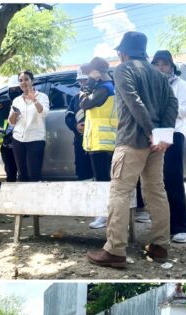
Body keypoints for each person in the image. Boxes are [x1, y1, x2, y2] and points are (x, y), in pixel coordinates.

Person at [86, 32, 177, 269]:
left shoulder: (123, 70)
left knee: (120, 192)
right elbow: (172, 104)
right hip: (156, 144)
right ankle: (160, 246)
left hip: (131, 141)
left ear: (123, 52)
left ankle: (115, 250)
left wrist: (149, 131)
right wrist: (162, 135)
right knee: (156, 191)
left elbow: (133, 101)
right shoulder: (159, 74)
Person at [151, 50, 186, 244]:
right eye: (157, 64)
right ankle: (166, 226)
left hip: (174, 133)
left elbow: (185, 110)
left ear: (171, 66)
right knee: (159, 182)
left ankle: (183, 227)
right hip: (157, 135)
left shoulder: (180, 84)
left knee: (174, 180)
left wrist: (166, 107)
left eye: (164, 64)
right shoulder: (153, 86)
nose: (160, 68)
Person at [79, 57, 118, 230]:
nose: (88, 75)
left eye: (90, 72)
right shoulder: (110, 87)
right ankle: (107, 214)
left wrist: (90, 83)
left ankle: (104, 215)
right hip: (103, 142)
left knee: (103, 182)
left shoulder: (104, 88)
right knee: (105, 180)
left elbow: (84, 103)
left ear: (98, 72)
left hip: (102, 143)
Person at [9, 70, 49, 182]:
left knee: (34, 174)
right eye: (21, 80)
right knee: (22, 175)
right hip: (18, 140)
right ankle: (24, 199)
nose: (23, 82)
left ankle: (35, 199)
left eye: (26, 79)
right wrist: (14, 114)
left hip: (35, 139)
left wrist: (34, 100)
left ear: (32, 81)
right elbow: (11, 122)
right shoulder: (16, 100)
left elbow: (44, 113)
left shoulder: (42, 97)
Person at [66, 66, 94, 181]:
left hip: (97, 141)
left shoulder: (99, 95)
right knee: (82, 173)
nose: (83, 83)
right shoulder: (75, 98)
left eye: (85, 80)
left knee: (99, 174)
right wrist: (75, 126)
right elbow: (68, 116)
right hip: (80, 141)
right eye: (80, 81)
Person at [0, 76, 21, 183]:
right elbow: (0, 127)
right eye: (12, 89)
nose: (14, 91)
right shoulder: (2, 106)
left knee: (23, 173)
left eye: (17, 89)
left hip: (21, 143)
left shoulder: (25, 103)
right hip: (6, 145)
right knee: (10, 173)